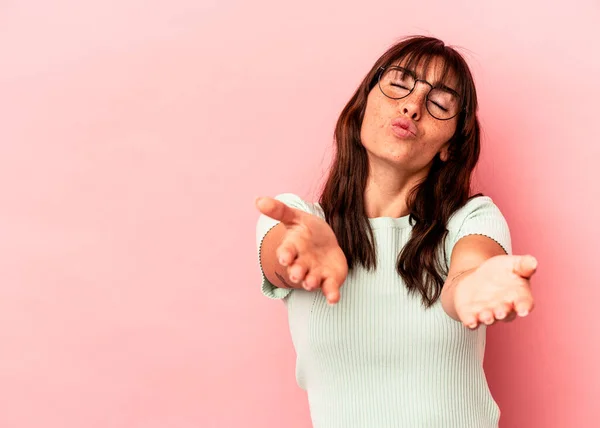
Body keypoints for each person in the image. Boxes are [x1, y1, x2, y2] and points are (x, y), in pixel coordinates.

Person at [254, 35, 537, 428]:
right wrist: (296, 256)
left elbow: (469, 270)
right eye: (400, 83)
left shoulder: (472, 218)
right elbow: (280, 259)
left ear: (450, 147)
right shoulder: (296, 220)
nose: (413, 105)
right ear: (362, 104)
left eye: (439, 103)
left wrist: (473, 285)